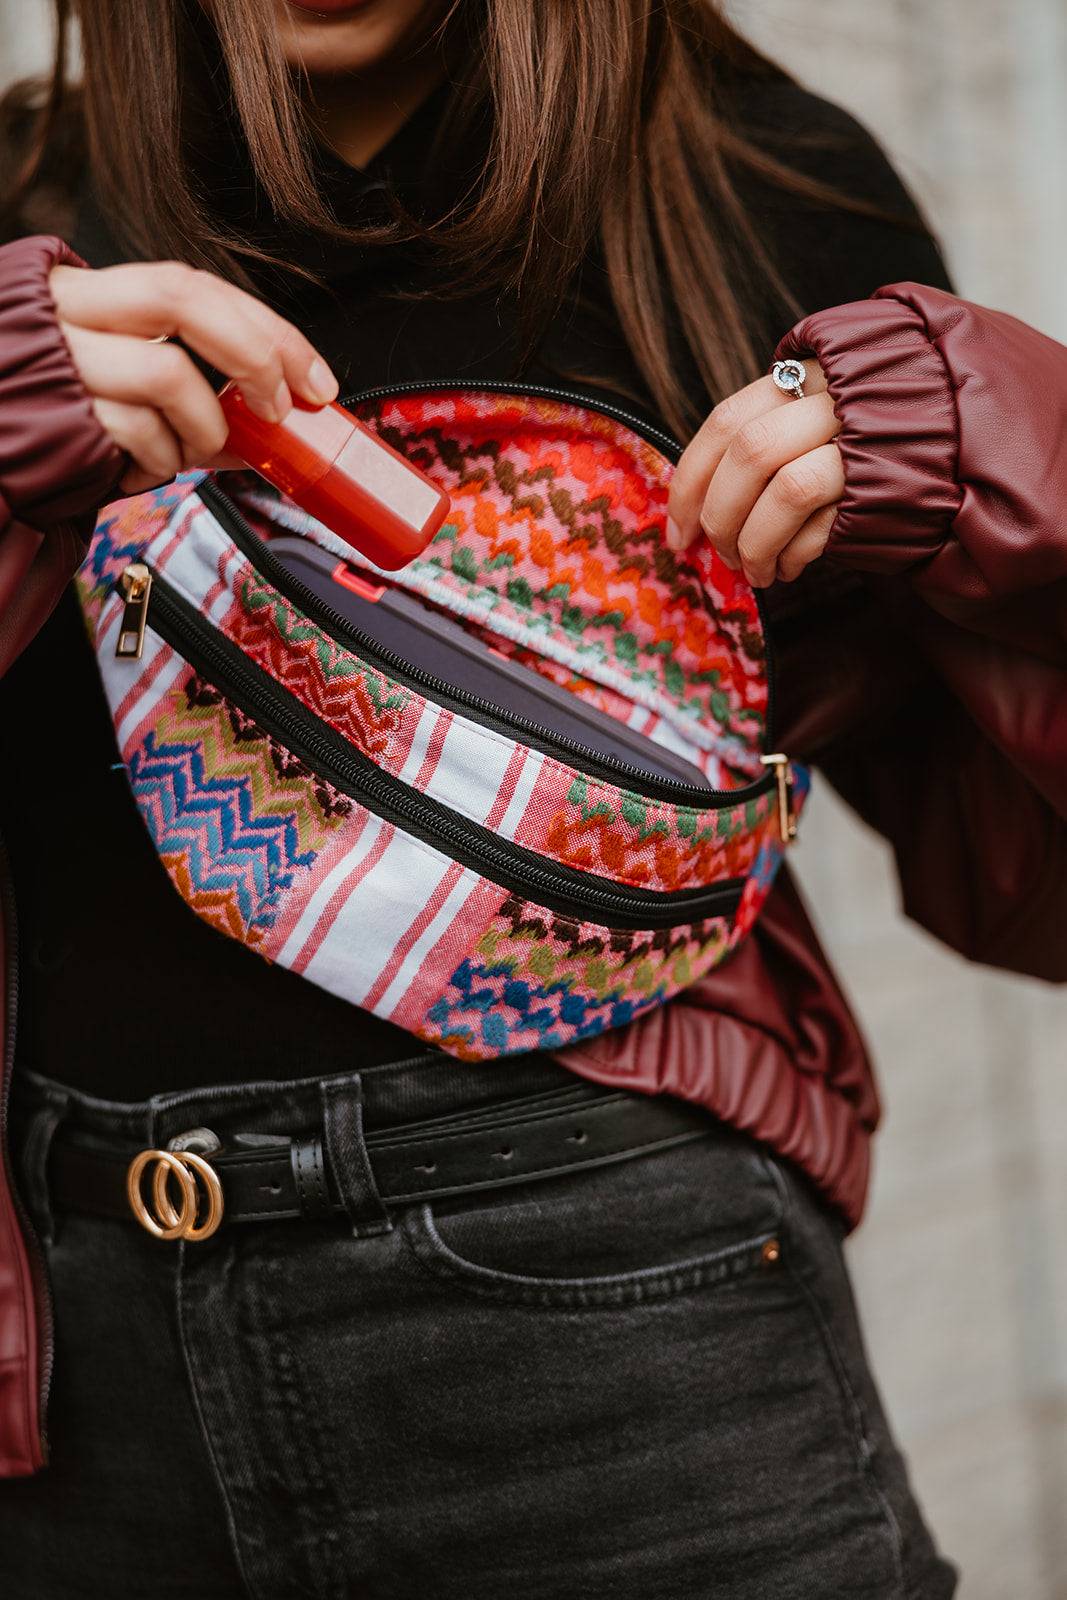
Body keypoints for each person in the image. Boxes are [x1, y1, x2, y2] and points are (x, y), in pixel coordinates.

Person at [0, 1, 1064, 1594]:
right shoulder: (27, 201)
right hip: (89, 1387)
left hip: (618, 1302)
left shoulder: (760, 193)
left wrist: (982, 434)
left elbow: (1029, 863)